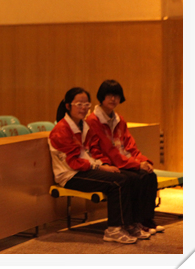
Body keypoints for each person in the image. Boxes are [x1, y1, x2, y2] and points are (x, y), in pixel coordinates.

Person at [48, 87, 145, 244]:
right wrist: (100, 167)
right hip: (70, 175)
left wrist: (103, 163)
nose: (83, 108)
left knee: (131, 177)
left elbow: (93, 151)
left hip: (86, 168)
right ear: (68, 106)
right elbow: (73, 162)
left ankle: (129, 223)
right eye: (79, 104)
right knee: (118, 182)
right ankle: (113, 229)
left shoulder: (85, 126)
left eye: (86, 104)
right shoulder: (61, 130)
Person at [87, 79, 164, 234]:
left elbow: (130, 145)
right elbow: (109, 150)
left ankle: (146, 220)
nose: (113, 99)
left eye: (116, 95)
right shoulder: (93, 120)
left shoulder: (119, 119)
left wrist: (143, 160)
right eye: (109, 95)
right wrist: (136, 165)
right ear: (101, 96)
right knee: (135, 178)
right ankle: (133, 222)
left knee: (150, 175)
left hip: (122, 160)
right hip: (108, 163)